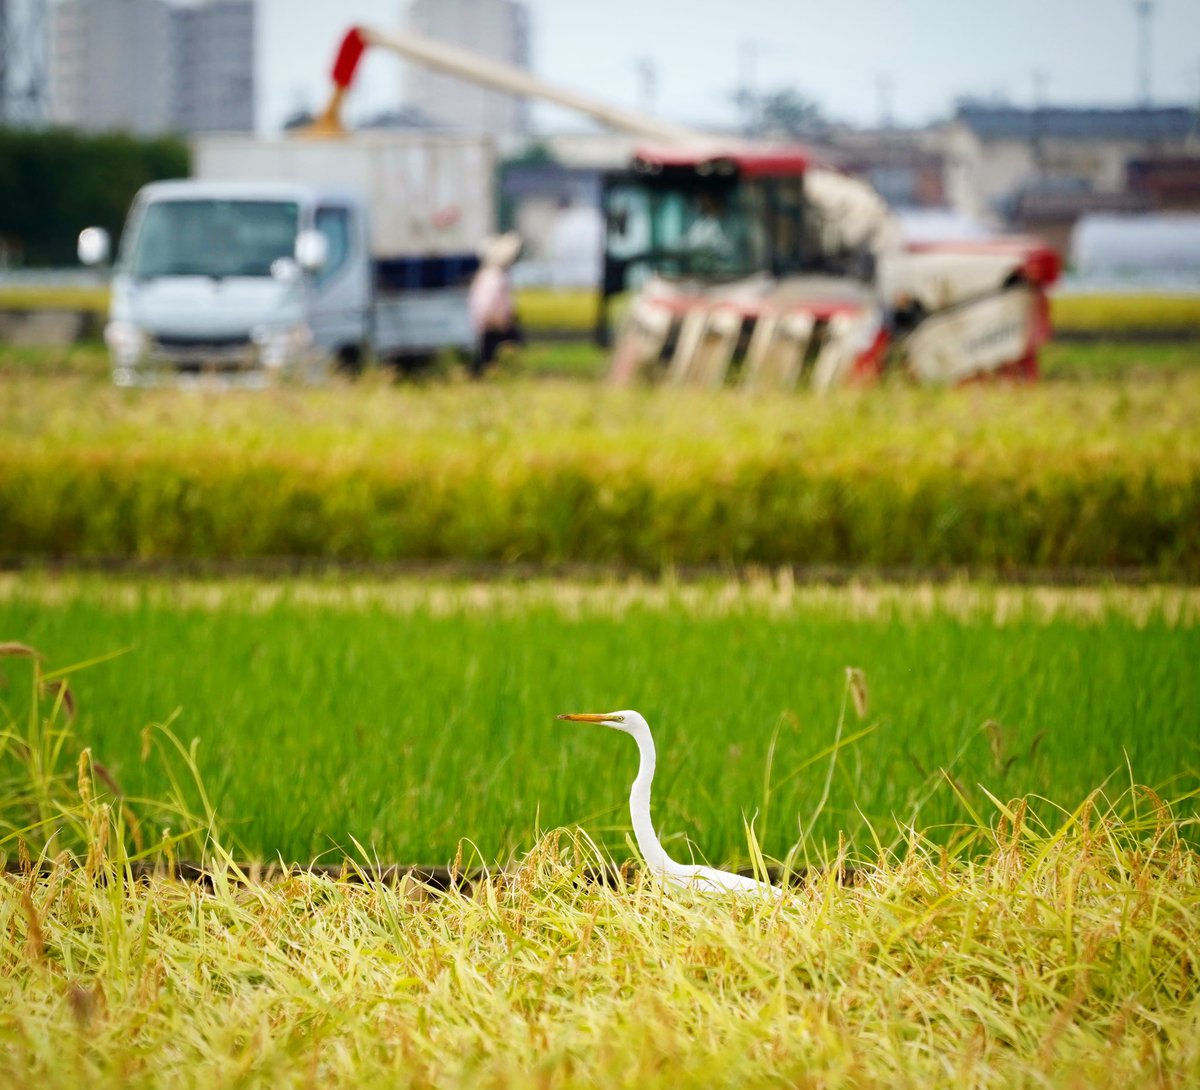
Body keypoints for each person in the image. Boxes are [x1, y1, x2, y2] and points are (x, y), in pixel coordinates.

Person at [467, 231, 523, 378]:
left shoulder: (487, 275)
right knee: (489, 358)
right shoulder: (494, 277)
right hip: (494, 326)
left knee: (486, 359)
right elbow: (488, 305)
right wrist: (498, 321)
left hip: (489, 326)